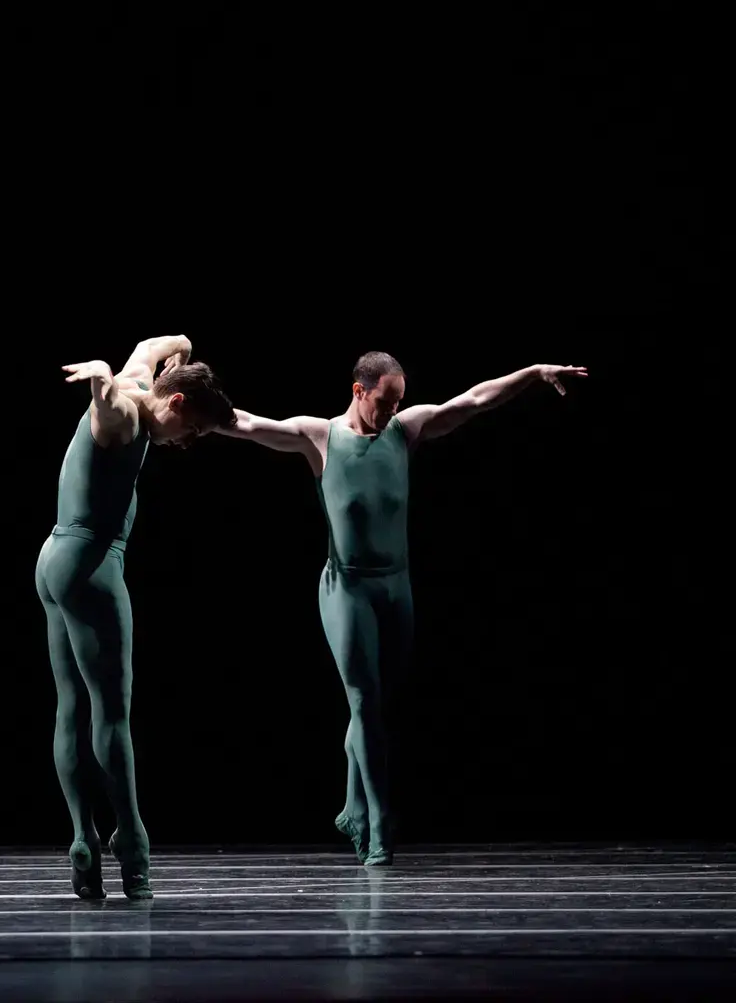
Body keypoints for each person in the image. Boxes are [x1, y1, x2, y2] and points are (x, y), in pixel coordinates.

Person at [220, 351, 587, 866]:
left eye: (399, 402)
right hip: (346, 588)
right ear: (358, 391)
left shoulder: (404, 431)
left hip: (396, 588)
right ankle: (376, 826)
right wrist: (190, 403)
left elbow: (475, 400)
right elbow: (247, 424)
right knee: (365, 702)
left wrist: (532, 374)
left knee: (375, 706)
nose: (393, 411)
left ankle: (352, 807)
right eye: (385, 402)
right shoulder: (319, 437)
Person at [38, 336, 236, 900]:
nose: (187, 443)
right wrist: (100, 381)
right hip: (92, 565)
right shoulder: (126, 415)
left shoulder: (144, 380)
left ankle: (81, 838)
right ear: (175, 405)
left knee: (71, 707)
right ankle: (131, 841)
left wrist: (181, 349)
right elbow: (109, 408)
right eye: (192, 430)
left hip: (52, 559)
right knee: (112, 714)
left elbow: (156, 342)